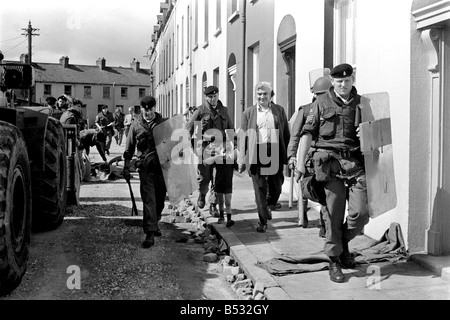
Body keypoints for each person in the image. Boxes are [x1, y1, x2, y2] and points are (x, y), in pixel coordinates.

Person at [296, 63, 369, 283]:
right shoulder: (320, 103)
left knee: (362, 213)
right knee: (333, 214)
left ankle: (343, 242)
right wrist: (300, 164)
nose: (344, 85)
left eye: (347, 81)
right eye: (339, 81)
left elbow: (379, 132)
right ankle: (334, 260)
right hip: (330, 165)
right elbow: (306, 134)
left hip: (354, 163)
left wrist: (367, 130)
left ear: (352, 80)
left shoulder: (363, 103)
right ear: (333, 82)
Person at [237, 82, 290, 233]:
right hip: (256, 150)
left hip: (274, 149)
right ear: (256, 95)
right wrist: (241, 158)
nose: (262, 97)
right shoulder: (248, 113)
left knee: (276, 185)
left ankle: (269, 204)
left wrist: (289, 155)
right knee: (259, 187)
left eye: (265, 94)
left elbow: (285, 133)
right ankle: (262, 221)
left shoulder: (279, 110)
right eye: (259, 94)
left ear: (270, 94)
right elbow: (243, 137)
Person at [287, 76, 332, 235]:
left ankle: (324, 223)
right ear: (314, 94)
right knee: (307, 189)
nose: (323, 97)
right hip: (307, 158)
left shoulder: (332, 110)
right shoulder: (305, 110)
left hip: (325, 159)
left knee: (326, 191)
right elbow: (295, 135)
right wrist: (292, 155)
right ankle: (303, 214)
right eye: (320, 94)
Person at [186, 86, 235, 227]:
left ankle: (213, 204)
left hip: (220, 148)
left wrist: (233, 145)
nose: (213, 99)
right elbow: (189, 128)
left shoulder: (223, 110)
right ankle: (202, 194)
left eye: (215, 96)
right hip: (205, 148)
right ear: (206, 97)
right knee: (205, 177)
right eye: (210, 97)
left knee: (217, 178)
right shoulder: (200, 111)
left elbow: (230, 128)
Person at [122, 95, 167, 248]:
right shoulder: (136, 125)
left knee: (160, 200)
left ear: (155, 108)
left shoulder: (164, 124)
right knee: (149, 200)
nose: (148, 113)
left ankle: (155, 220)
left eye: (151, 110)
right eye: (145, 110)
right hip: (145, 169)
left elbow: (174, 146)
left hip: (162, 169)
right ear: (141, 109)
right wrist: (126, 167)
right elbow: (129, 148)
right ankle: (149, 233)